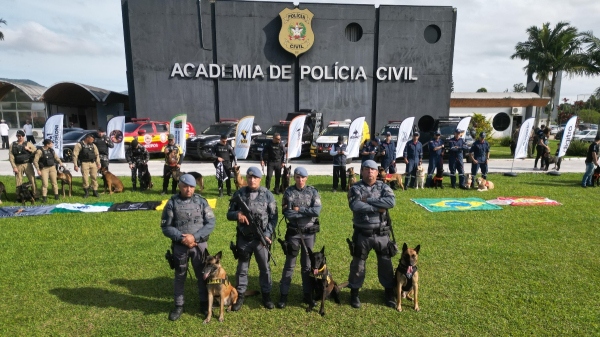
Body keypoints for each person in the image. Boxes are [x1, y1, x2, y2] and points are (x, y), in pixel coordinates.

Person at [161, 174, 216, 321]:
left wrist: (194, 237)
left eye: (191, 186)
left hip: (199, 245)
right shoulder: (172, 203)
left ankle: (204, 304)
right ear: (179, 186)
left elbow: (210, 223)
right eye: (185, 186)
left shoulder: (201, 201)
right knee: (180, 276)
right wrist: (182, 238)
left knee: (203, 275)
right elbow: (166, 226)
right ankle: (179, 306)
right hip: (180, 246)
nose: (188, 189)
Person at [347, 160, 396, 309]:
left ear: (377, 172)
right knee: (358, 266)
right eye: (367, 169)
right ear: (361, 172)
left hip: (382, 234)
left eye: (372, 170)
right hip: (363, 234)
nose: (370, 172)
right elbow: (355, 205)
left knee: (386, 265)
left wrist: (368, 200)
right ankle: (354, 292)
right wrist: (377, 207)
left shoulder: (383, 186)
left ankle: (389, 292)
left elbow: (391, 202)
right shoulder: (355, 188)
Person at [227, 167, 278, 310]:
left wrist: (267, 235)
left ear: (260, 179)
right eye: (249, 177)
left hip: (261, 239)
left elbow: (274, 217)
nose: (252, 180)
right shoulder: (240, 193)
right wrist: (237, 215)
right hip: (244, 238)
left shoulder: (268, 195)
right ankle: (240, 295)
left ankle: (266, 295)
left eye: (255, 178)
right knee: (242, 268)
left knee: (264, 268)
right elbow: (229, 214)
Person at [277, 167, 322, 309]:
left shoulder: (313, 191)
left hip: (309, 233)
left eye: (302, 177)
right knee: (289, 264)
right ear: (294, 178)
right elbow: (287, 213)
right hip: (294, 233)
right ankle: (283, 295)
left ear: (306, 178)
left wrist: (299, 209)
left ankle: (307, 295)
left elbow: (317, 211)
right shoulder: (289, 192)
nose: (300, 180)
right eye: (297, 177)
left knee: (307, 265)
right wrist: (305, 213)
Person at [9, 130, 38, 198]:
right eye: (18, 136)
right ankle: (18, 196)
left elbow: (36, 151)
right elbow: (11, 157)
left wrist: (28, 149)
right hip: (18, 165)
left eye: (21, 136)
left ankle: (36, 195)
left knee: (32, 180)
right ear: (17, 136)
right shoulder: (13, 145)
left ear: (24, 136)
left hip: (27, 164)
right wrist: (14, 167)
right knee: (18, 181)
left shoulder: (28, 143)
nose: (20, 137)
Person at [73, 133, 101, 198]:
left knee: (94, 177)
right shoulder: (79, 145)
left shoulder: (93, 145)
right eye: (91, 139)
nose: (92, 141)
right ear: (87, 138)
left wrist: (98, 163)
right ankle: (86, 192)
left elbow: (97, 155)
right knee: (85, 178)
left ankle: (95, 191)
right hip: (84, 163)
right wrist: (75, 165)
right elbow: (75, 155)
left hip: (92, 163)